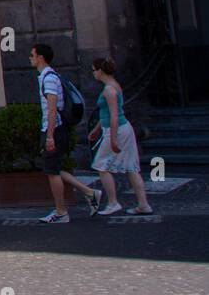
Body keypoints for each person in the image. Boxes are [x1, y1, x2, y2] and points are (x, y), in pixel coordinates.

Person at [31, 43, 97, 223]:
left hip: (55, 128)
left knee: (52, 171)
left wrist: (50, 136)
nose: (30, 58)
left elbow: (52, 109)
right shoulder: (48, 76)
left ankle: (61, 212)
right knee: (55, 168)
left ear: (40, 58)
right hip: (54, 128)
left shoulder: (49, 78)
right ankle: (89, 192)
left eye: (32, 55)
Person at [89, 57, 153, 216]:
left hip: (116, 130)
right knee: (131, 167)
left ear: (100, 70)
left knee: (101, 165)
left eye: (93, 70)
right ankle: (143, 205)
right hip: (123, 129)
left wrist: (112, 139)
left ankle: (113, 202)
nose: (93, 73)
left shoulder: (109, 89)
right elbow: (109, 112)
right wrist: (97, 129)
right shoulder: (114, 86)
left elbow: (114, 115)